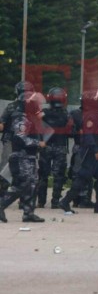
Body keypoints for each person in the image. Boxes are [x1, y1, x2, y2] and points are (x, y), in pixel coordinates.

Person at [58, 90, 98, 214]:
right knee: (83, 178)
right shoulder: (91, 115)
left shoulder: (95, 114)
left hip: (95, 151)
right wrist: (96, 151)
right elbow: (88, 135)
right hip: (90, 152)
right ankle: (65, 201)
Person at [0, 93, 46, 223]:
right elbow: (20, 138)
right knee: (22, 185)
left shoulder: (30, 119)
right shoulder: (22, 119)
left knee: (32, 185)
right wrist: (38, 143)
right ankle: (2, 204)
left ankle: (28, 213)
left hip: (29, 157)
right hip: (22, 157)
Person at [36, 87, 71, 208]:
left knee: (43, 175)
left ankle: (41, 201)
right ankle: (55, 202)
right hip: (60, 147)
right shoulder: (66, 114)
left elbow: (36, 124)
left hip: (46, 146)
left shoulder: (44, 112)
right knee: (59, 175)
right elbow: (70, 131)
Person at [0, 81, 35, 198]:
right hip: (12, 139)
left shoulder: (33, 108)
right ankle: (3, 194)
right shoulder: (12, 106)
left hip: (25, 141)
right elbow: (2, 123)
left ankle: (20, 195)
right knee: (7, 166)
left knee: (25, 168)